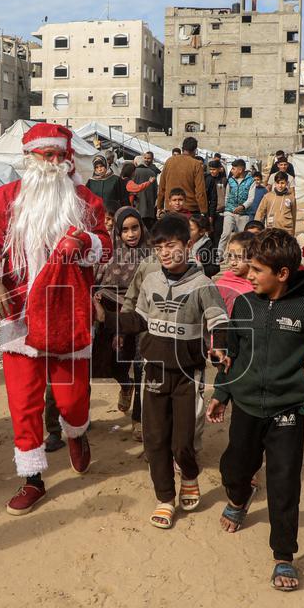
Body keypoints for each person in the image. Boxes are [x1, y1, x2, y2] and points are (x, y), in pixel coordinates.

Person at [0, 123, 111, 515]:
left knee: (71, 400)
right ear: (29, 158)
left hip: (68, 314)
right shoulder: (5, 198)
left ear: (68, 158)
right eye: (44, 155)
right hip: (19, 316)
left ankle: (77, 433)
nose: (52, 163)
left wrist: (84, 240)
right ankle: (32, 479)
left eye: (58, 155)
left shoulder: (85, 200)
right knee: (24, 401)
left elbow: (106, 247)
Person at [207, 228, 304, 592]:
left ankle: (283, 554)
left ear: (282, 274)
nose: (248, 275)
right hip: (247, 407)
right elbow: (231, 356)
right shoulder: (243, 304)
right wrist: (221, 394)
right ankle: (239, 498)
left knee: (284, 485)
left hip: (287, 411)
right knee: (235, 467)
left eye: (256, 270)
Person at [95, 216, 228, 530]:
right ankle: (165, 498)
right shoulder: (152, 280)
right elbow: (138, 320)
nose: (165, 253)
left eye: (171, 245)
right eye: (159, 247)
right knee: (155, 440)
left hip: (187, 374)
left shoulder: (203, 285)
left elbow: (219, 321)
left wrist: (219, 347)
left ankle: (190, 475)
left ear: (187, 245)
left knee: (183, 441)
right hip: (153, 371)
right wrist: (105, 318)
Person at [93, 206, 151, 439]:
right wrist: (96, 295)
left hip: (140, 314)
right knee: (108, 362)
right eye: (124, 230)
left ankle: (138, 418)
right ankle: (124, 385)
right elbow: (95, 279)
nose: (131, 234)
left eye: (134, 228)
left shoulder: (151, 255)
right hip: (110, 314)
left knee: (140, 366)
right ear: (117, 232)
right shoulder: (108, 254)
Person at [157, 137, 208, 215]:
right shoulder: (196, 164)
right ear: (195, 150)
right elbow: (200, 191)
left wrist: (159, 206)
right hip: (190, 209)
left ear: (182, 148)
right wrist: (204, 211)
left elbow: (162, 187)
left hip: (171, 208)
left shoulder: (169, 161)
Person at [218, 159, 254, 257]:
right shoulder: (231, 180)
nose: (232, 171)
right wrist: (226, 207)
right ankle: (219, 255)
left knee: (241, 237)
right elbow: (227, 195)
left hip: (243, 214)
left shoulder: (251, 181)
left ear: (240, 169)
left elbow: (251, 198)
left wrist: (242, 207)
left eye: (233, 169)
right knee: (225, 233)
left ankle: (241, 256)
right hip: (230, 211)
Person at [214, 231, 255, 314]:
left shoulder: (259, 287)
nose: (233, 262)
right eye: (230, 256)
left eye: (239, 257)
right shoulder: (221, 285)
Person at [131, 155, 160, 231]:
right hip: (149, 209)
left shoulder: (134, 173)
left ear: (136, 163)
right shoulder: (152, 173)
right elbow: (155, 191)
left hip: (137, 207)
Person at [189, 213, 219, 277]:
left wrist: (200, 270)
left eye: (191, 230)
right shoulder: (183, 242)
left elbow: (215, 267)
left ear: (202, 231)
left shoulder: (209, 246)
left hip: (201, 280)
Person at [205, 160, 227, 246]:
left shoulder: (224, 180)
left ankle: (217, 254)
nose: (212, 171)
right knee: (209, 234)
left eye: (214, 169)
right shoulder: (207, 179)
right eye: (210, 169)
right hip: (209, 211)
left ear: (219, 169)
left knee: (218, 234)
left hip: (220, 211)